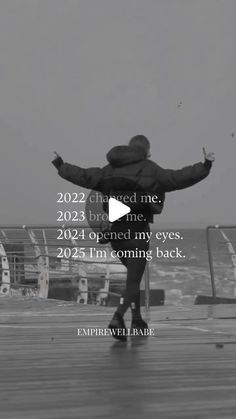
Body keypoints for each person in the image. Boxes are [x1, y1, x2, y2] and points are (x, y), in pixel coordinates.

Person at [52, 136, 215, 341]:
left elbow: (84, 176)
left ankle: (137, 320)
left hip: (116, 235)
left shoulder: (109, 169)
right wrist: (205, 166)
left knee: (133, 278)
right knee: (133, 281)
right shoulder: (151, 169)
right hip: (137, 232)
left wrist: (61, 165)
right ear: (146, 152)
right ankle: (117, 317)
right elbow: (179, 178)